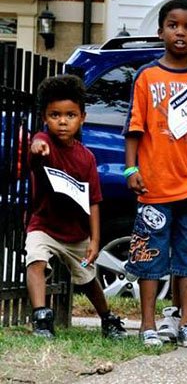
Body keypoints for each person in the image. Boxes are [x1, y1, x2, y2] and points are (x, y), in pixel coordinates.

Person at [123, 0, 187, 347]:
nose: (180, 32)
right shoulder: (147, 76)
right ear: (160, 30)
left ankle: (186, 324)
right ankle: (147, 324)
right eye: (172, 25)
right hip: (154, 184)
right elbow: (134, 128)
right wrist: (131, 168)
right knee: (149, 256)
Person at [25, 75, 127, 340]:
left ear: (82, 117)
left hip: (76, 234)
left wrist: (95, 239)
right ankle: (41, 318)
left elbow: (94, 200)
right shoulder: (42, 141)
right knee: (35, 260)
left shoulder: (87, 158)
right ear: (45, 118)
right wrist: (37, 148)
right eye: (54, 115)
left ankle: (107, 318)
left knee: (88, 279)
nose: (62, 121)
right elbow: (35, 150)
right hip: (44, 225)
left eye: (70, 115)